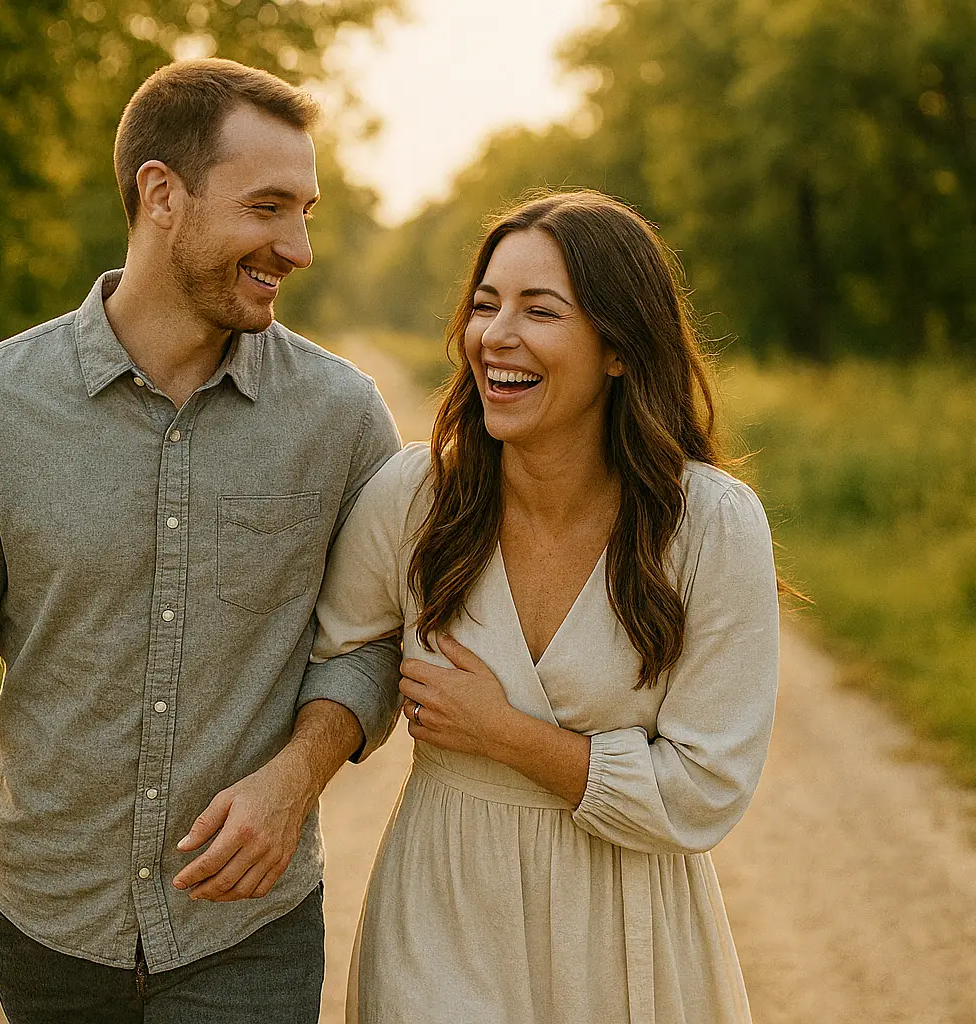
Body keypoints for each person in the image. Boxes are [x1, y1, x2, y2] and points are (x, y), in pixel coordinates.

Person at [0, 59, 404, 1024]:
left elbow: (375, 640)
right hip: (44, 925)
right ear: (163, 194)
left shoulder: (342, 417)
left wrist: (295, 779)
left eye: (305, 212)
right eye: (269, 207)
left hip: (248, 930)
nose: (298, 247)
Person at [311, 189, 782, 1023]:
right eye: (486, 305)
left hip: (630, 926)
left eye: (541, 310)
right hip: (444, 910)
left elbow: (704, 789)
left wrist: (507, 735)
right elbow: (334, 658)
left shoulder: (711, 523)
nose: (497, 335)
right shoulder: (415, 497)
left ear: (618, 348)